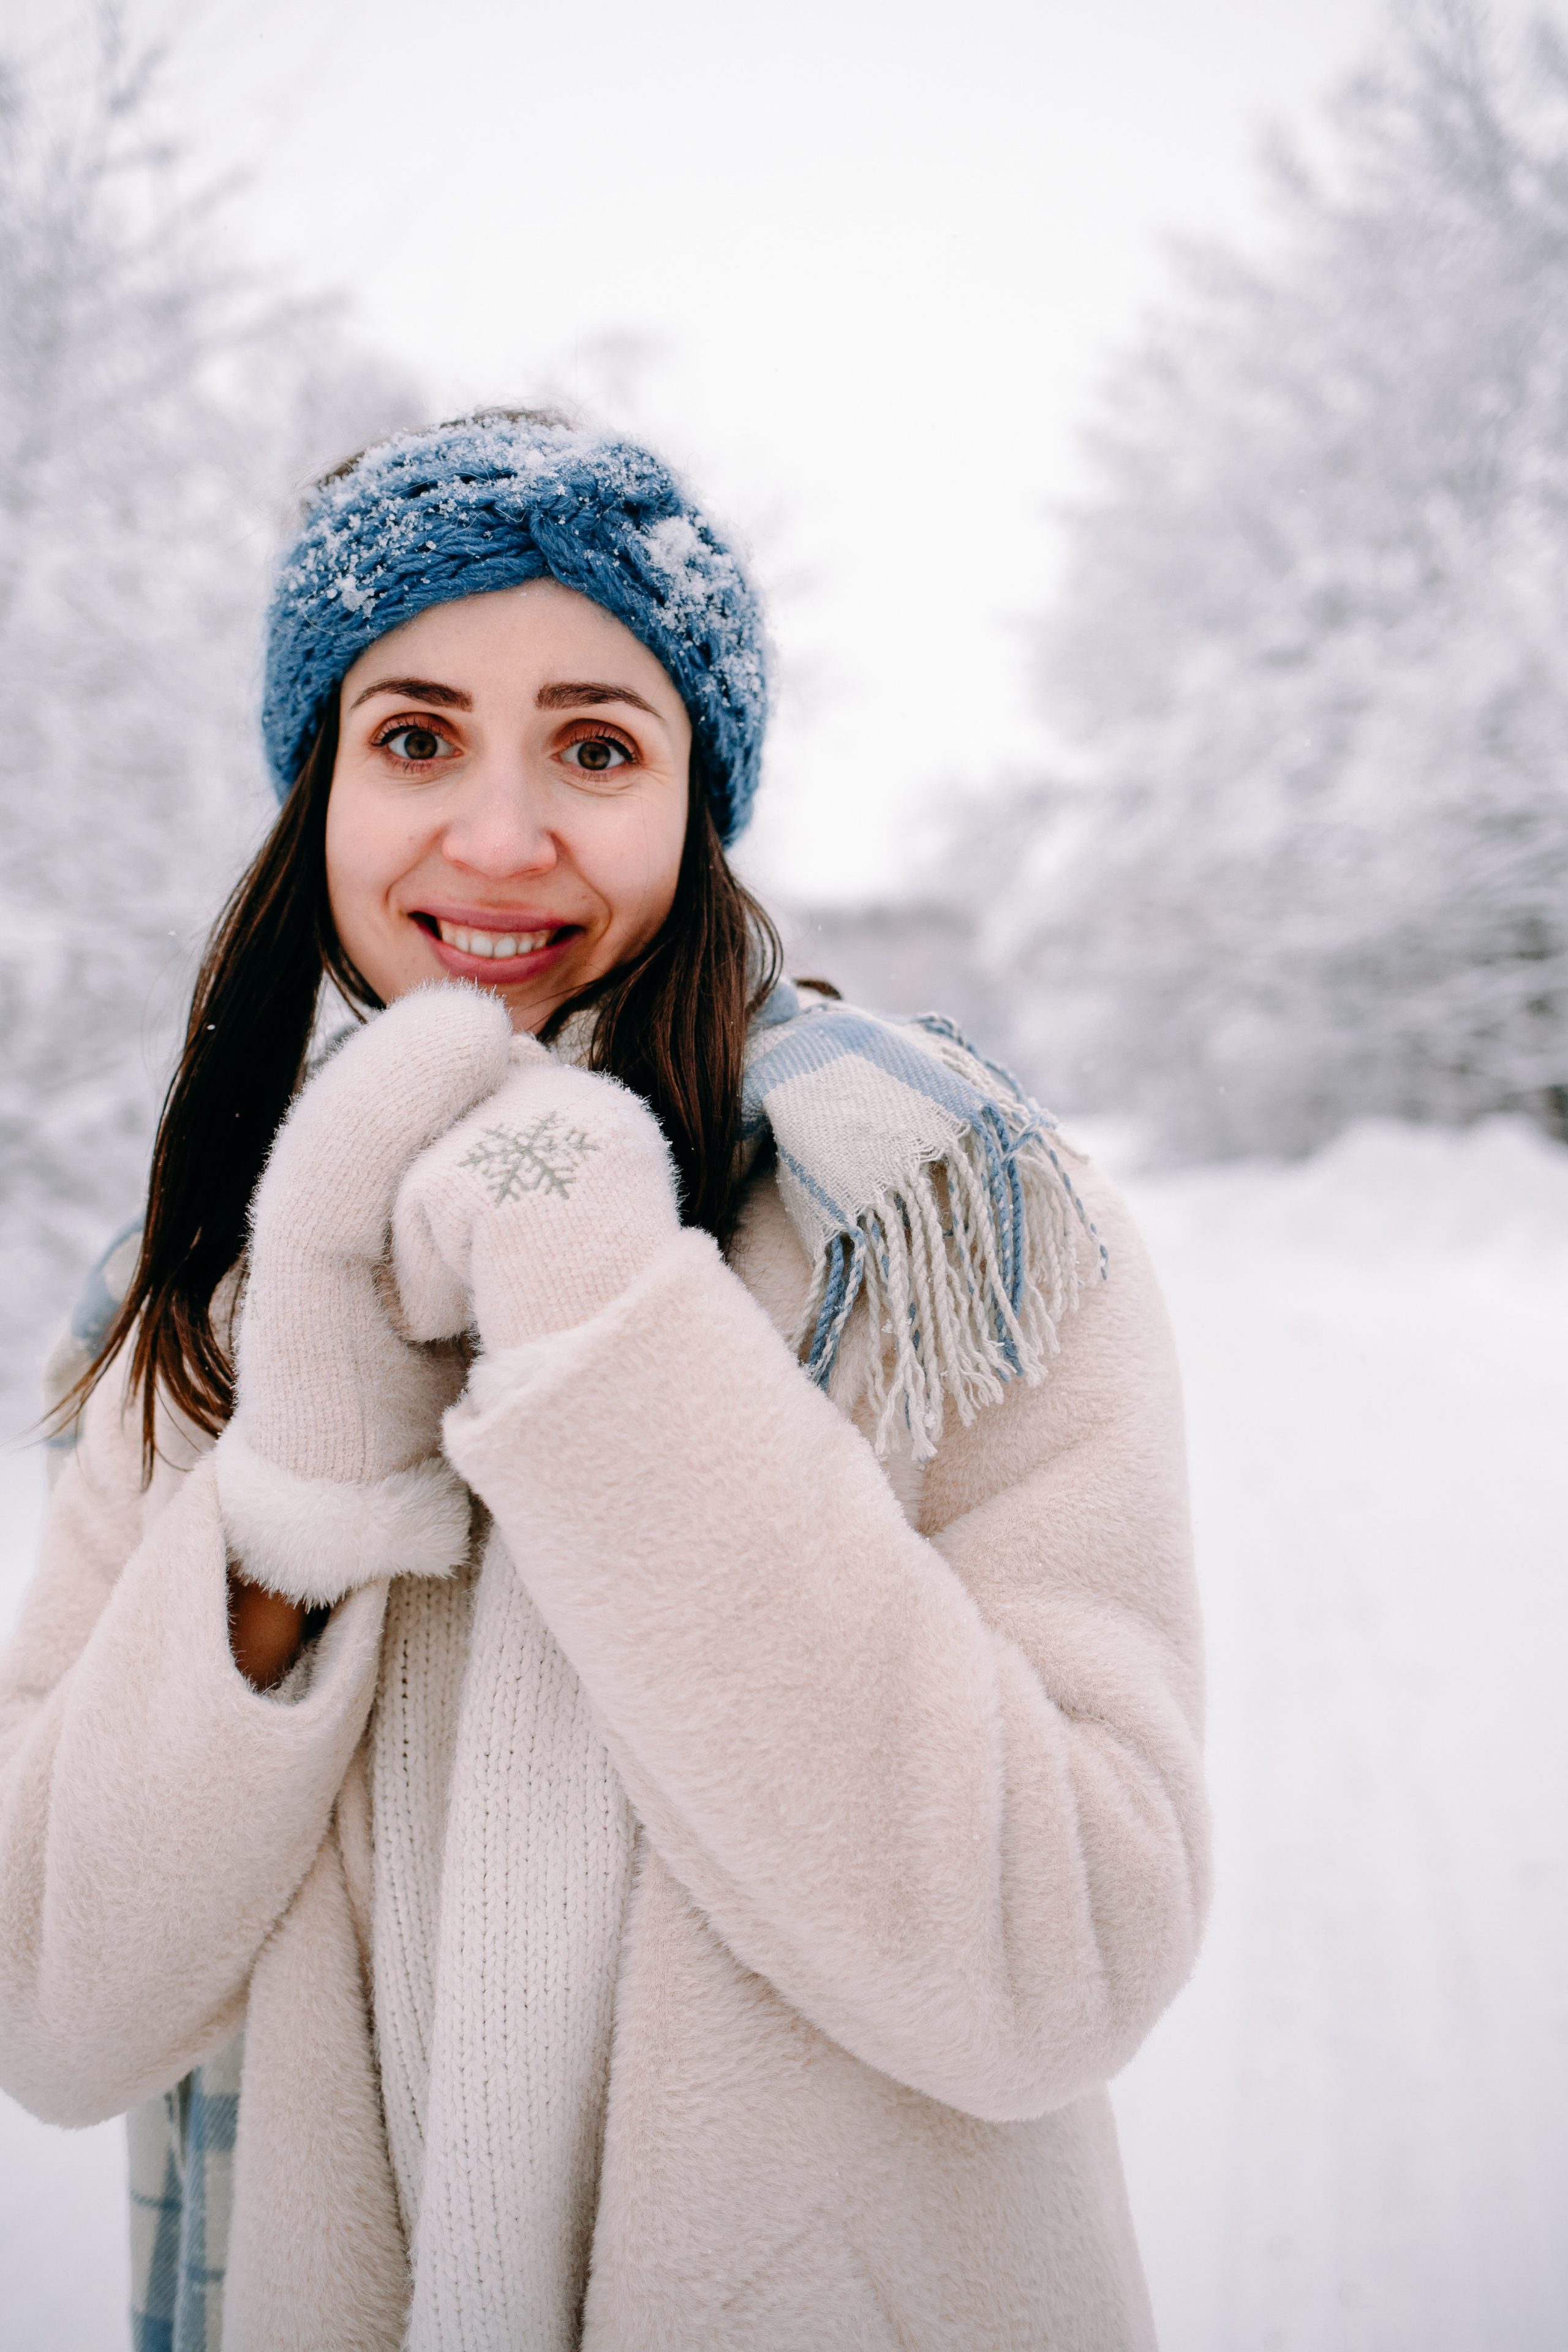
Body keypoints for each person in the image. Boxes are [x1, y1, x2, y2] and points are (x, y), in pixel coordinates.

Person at [0, 410, 1208, 2352]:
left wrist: (601, 1309)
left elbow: (1060, 1960)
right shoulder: (213, 1303)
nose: (497, 837)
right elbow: (54, 2003)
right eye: (412, 740)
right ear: (316, 792)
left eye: (595, 745)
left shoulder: (949, 1231)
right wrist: (303, 1465)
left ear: (695, 798)